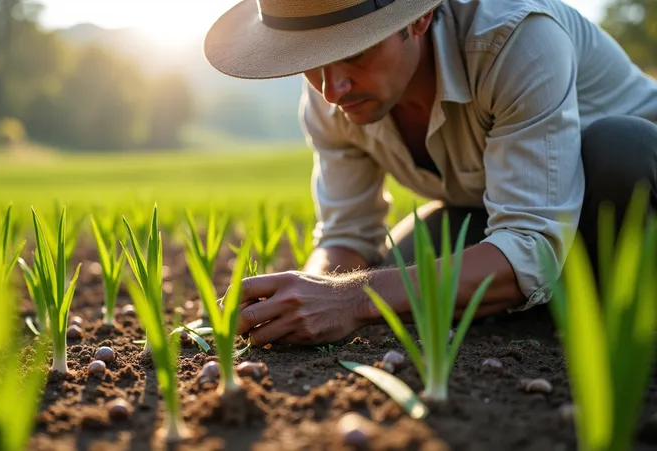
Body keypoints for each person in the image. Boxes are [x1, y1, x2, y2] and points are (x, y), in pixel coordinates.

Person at [203, 0, 657, 347]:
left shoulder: (515, 37)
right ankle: (557, 311)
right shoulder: (330, 96)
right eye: (310, 60)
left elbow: (530, 245)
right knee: (407, 258)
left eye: (355, 52)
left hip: (627, 201)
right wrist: (305, 295)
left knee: (621, 151)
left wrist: (352, 298)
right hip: (515, 217)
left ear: (418, 19)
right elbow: (348, 236)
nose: (332, 88)